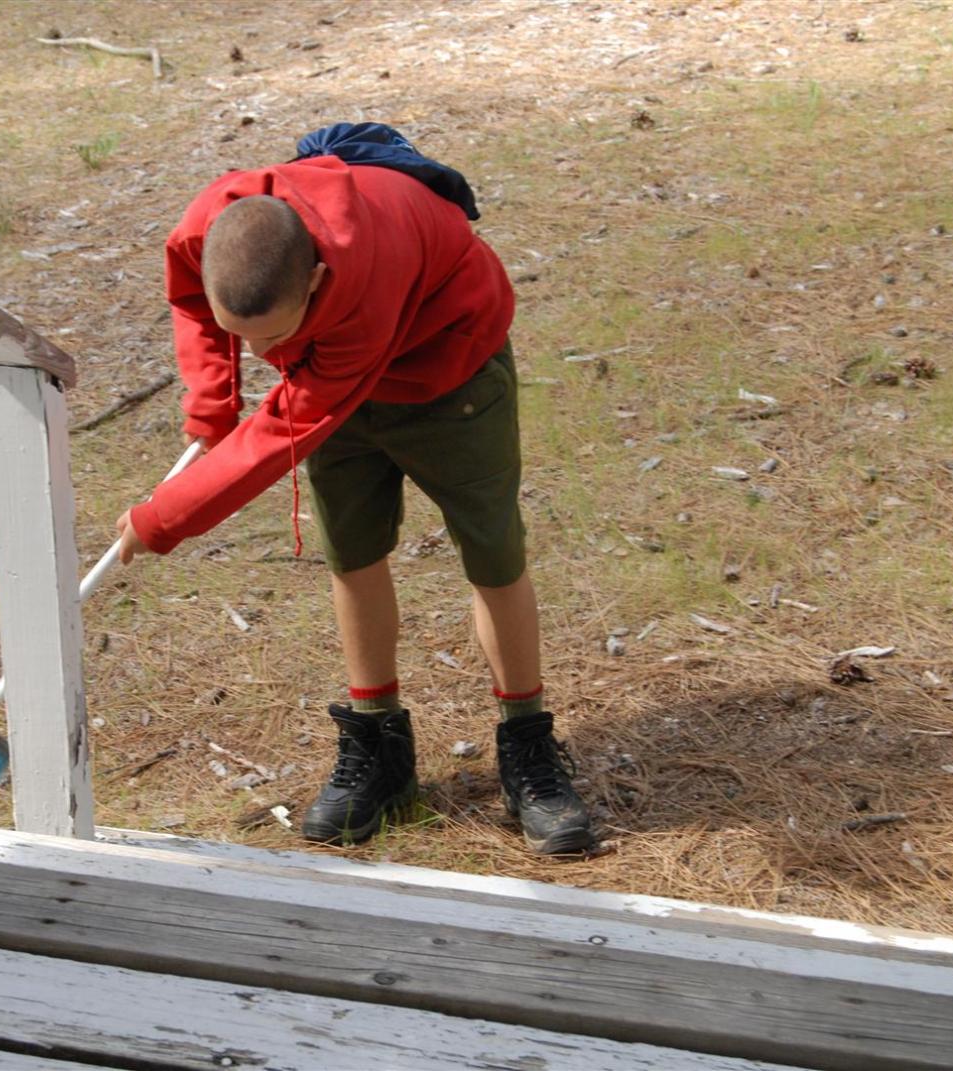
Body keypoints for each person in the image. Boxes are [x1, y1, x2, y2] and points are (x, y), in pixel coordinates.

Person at [113, 125, 595, 855]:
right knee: (353, 554)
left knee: (493, 558)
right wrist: (211, 406)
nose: (260, 354)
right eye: (247, 338)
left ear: (313, 280)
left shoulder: (364, 278)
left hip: (451, 375)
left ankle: (527, 745)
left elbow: (282, 431)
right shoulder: (209, 225)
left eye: (273, 334)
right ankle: (379, 749)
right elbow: (192, 302)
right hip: (332, 372)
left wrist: (163, 519)